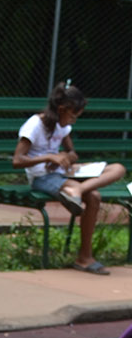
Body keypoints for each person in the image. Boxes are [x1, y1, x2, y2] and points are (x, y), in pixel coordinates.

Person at [13, 82, 126, 274]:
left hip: (62, 173)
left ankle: (78, 191)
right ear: (61, 109)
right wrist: (49, 157)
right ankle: (84, 257)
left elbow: (72, 152)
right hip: (42, 177)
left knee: (118, 168)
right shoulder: (35, 124)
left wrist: (67, 158)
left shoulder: (62, 126)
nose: (73, 120)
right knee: (95, 197)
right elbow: (17, 160)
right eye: (73, 115)